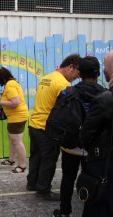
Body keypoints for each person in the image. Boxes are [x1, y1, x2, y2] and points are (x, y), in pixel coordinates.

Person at [52, 56, 105, 217]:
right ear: (98, 73)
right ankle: (91, 211)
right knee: (94, 180)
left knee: (67, 179)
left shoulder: (68, 91)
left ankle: (65, 211)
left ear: (79, 73)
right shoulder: (105, 94)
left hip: (71, 146)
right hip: (94, 148)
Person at [27, 54, 81, 201]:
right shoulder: (63, 84)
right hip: (47, 128)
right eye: (77, 74)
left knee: (35, 157)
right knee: (49, 160)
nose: (76, 78)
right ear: (71, 67)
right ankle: (43, 190)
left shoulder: (46, 77)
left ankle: (32, 183)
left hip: (34, 124)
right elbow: (64, 111)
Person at [79, 51, 113, 217]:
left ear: (106, 72)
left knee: (97, 205)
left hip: (103, 165)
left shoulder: (105, 99)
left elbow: (85, 135)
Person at [0, 66, 28, 173]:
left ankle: (22, 165)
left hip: (17, 116)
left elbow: (15, 102)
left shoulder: (10, 85)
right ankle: (11, 160)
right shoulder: (13, 83)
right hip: (16, 116)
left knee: (17, 142)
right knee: (13, 140)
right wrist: (2, 94)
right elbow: (13, 97)